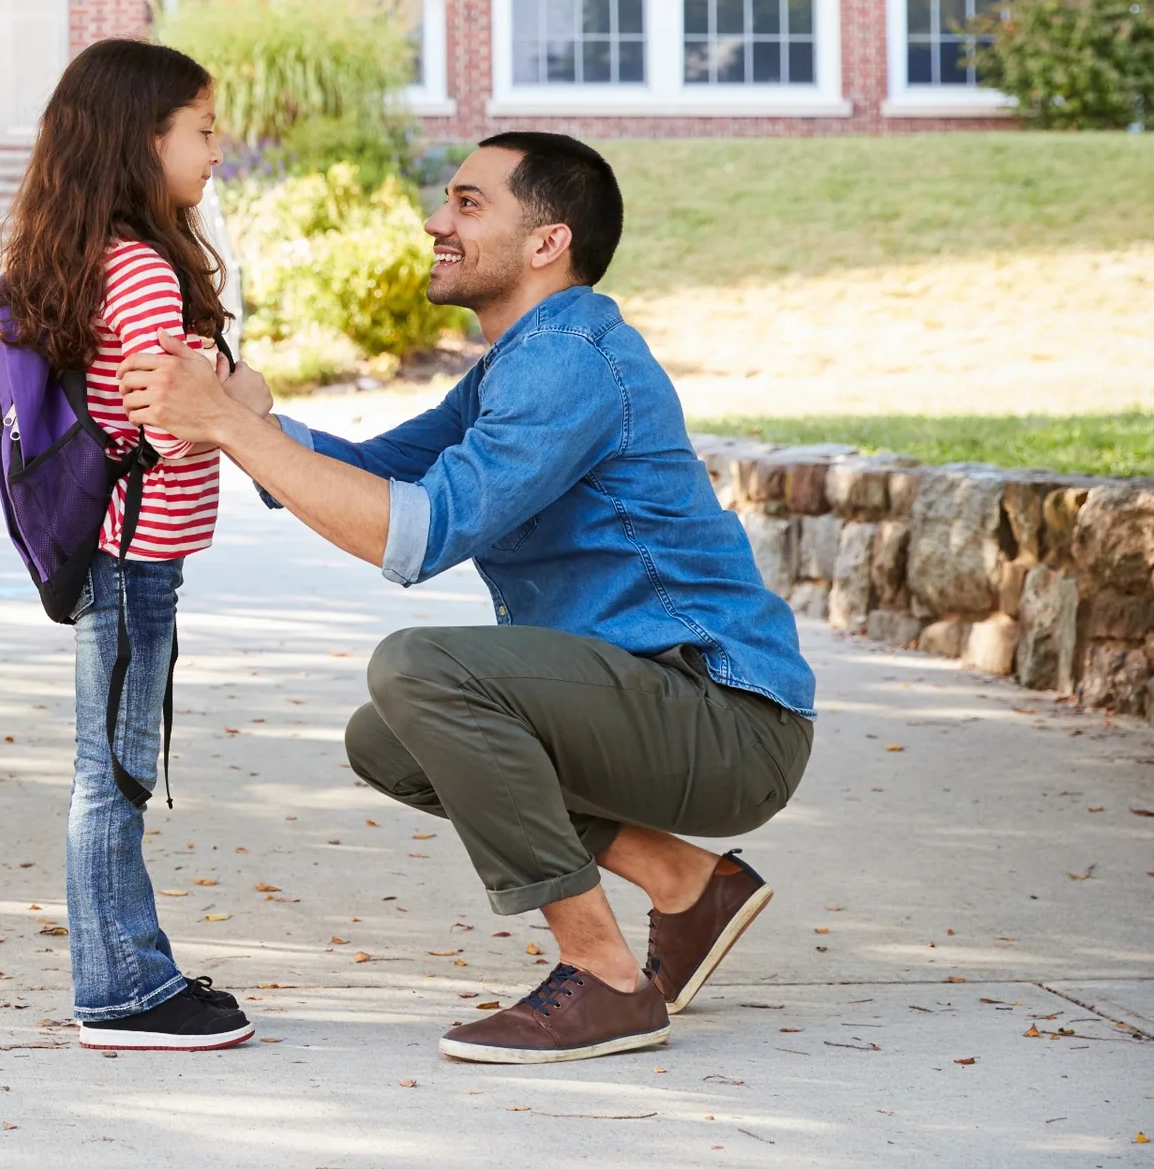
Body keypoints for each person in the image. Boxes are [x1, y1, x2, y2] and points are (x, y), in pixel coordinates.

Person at [117, 131, 816, 1067]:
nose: (437, 220)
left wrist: (227, 428)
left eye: (468, 202)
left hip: (724, 712)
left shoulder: (571, 358)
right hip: (652, 703)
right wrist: (250, 420)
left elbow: (417, 533)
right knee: (391, 737)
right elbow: (381, 473)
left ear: (546, 242)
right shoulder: (511, 367)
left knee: (421, 668)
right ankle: (687, 883)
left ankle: (604, 975)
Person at [0, 37, 263, 1052]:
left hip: (120, 547)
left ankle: (132, 961)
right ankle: (118, 988)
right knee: (114, 772)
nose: (215, 154)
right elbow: (166, 418)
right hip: (132, 554)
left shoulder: (93, 251)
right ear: (142, 142)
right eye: (201, 133)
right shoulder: (143, 270)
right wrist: (242, 397)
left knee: (114, 765)